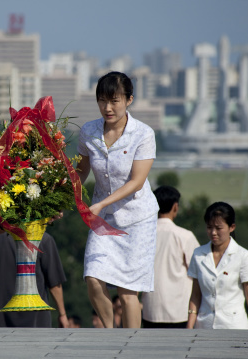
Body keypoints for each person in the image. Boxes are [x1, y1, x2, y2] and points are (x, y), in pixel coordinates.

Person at [76, 71, 159, 329]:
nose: (107, 107)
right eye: (102, 100)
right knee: (93, 276)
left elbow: (136, 182)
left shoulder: (143, 134)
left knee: (127, 291)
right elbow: (81, 171)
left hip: (137, 218)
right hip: (104, 219)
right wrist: (64, 196)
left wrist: (99, 203)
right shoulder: (88, 131)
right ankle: (112, 334)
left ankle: (131, 346)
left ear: (129, 100)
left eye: (114, 100)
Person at [187, 202, 248, 330]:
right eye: (209, 227)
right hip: (204, 326)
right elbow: (195, 295)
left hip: (235, 327)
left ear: (231, 227)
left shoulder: (243, 256)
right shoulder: (198, 254)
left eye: (218, 228)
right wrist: (189, 326)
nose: (213, 233)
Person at [142, 186, 200, 328]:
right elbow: (199, 271)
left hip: (150, 309)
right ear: (175, 207)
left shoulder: (143, 235)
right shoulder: (185, 236)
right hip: (179, 310)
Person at [0, 232, 69, 328]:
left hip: (2, 315)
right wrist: (62, 314)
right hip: (37, 317)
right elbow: (54, 283)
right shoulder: (43, 239)